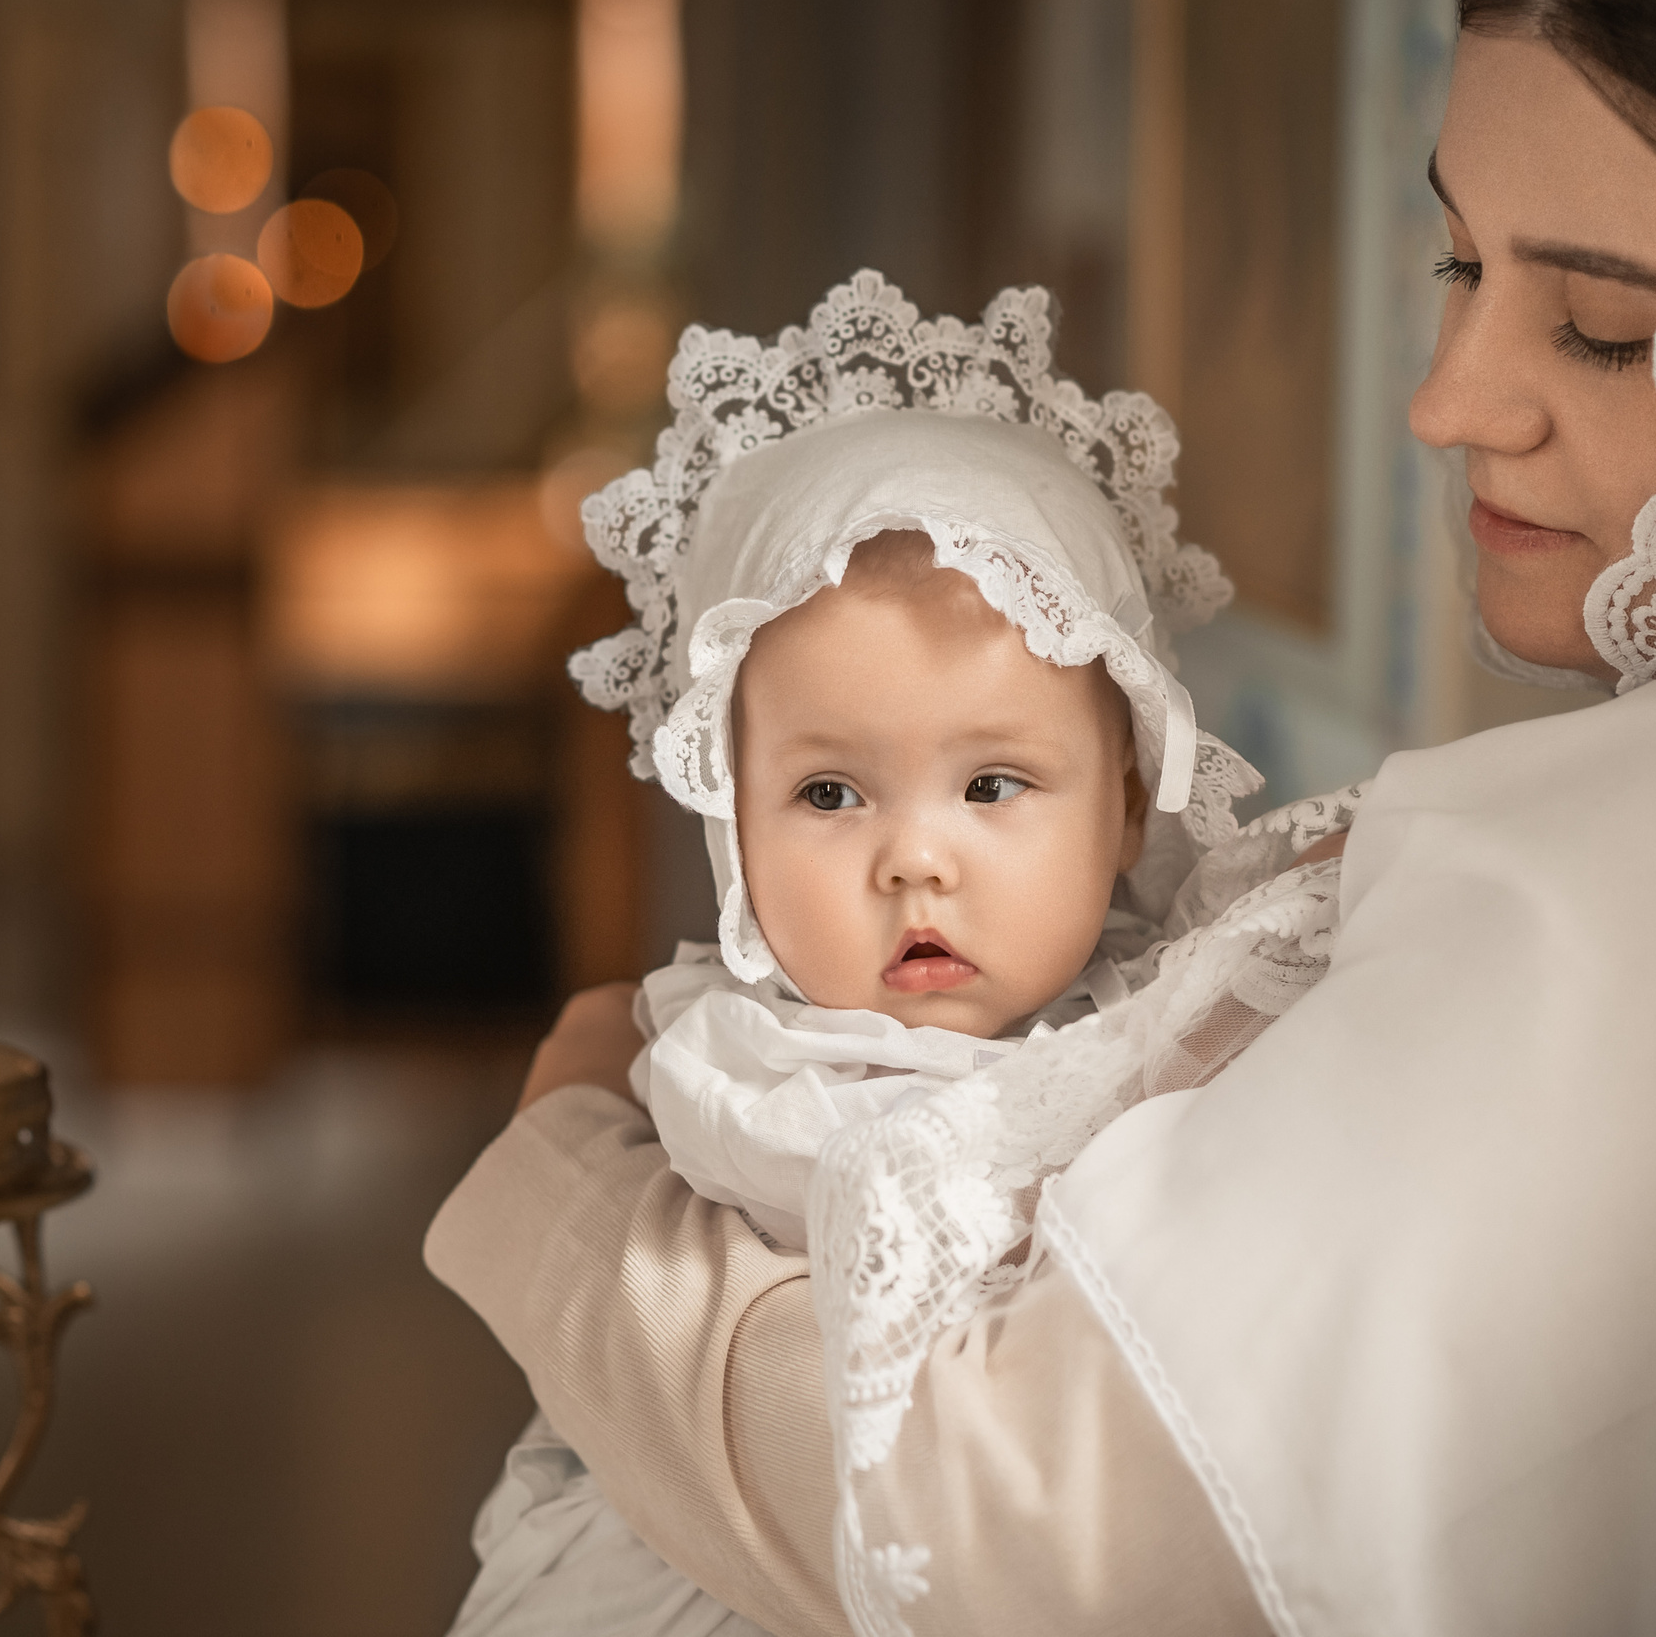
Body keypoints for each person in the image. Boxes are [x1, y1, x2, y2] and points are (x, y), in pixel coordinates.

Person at [427, 0, 1656, 1633]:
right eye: (1455, 261)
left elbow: (993, 1538)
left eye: (1600, 328)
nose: (1445, 400)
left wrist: (567, 1167)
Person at [447, 298, 1354, 1635]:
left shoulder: (1184, 1019)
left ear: (1124, 799)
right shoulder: (753, 1066)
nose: (914, 861)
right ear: (727, 821)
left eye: (993, 784)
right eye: (827, 794)